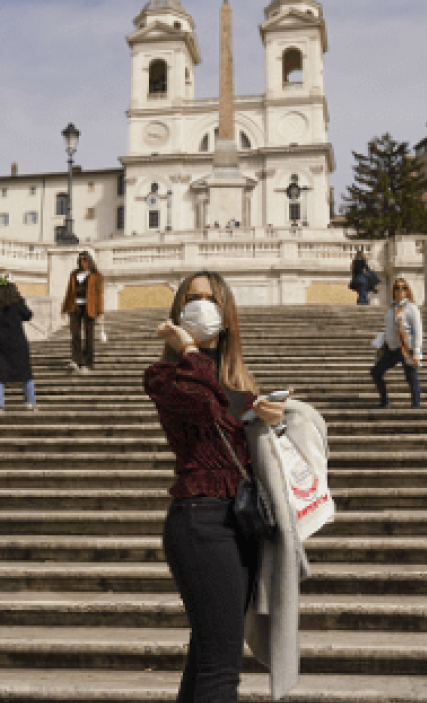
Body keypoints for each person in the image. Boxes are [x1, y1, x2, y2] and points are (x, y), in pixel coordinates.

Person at [143, 271, 286, 703]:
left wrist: (273, 420)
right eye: (192, 298)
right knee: (221, 667)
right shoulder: (165, 377)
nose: (201, 305)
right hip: (200, 520)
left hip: (240, 521)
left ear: (225, 313)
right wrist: (187, 348)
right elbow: (206, 406)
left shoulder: (238, 385)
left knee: (209, 656)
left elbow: (239, 442)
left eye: (209, 298)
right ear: (177, 311)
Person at [0, 274, 36, 413]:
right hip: (17, 342)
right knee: (25, 373)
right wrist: (20, 299)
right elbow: (28, 315)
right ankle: (30, 403)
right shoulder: (17, 301)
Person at [371, 277, 422, 408]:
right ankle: (385, 401)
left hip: (406, 346)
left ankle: (416, 405)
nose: (400, 290)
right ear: (393, 291)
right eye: (397, 288)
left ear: (407, 290)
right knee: (376, 372)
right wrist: (382, 343)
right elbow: (389, 328)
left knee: (411, 376)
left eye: (403, 287)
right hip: (392, 348)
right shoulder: (391, 309)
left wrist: (416, 352)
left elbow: (418, 331)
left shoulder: (412, 308)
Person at [62, 251, 104, 373]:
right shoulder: (74, 274)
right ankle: (76, 361)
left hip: (89, 308)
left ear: (90, 260)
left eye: (84, 259)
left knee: (88, 336)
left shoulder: (96, 275)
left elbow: (99, 294)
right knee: (75, 335)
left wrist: (100, 311)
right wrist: (64, 309)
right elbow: (69, 291)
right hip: (74, 307)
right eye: (80, 260)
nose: (82, 262)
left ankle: (88, 363)